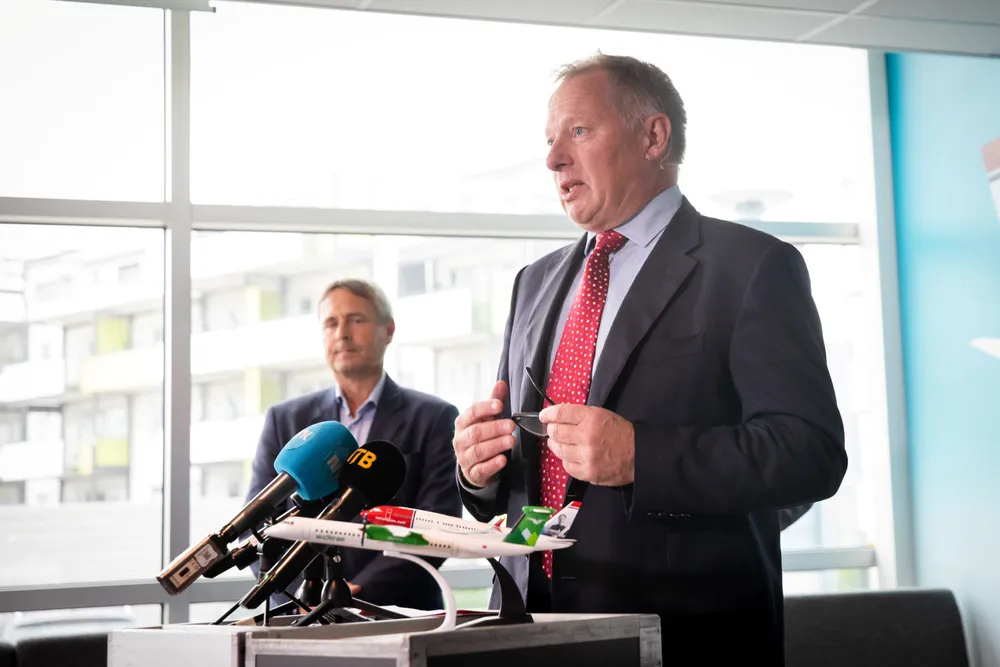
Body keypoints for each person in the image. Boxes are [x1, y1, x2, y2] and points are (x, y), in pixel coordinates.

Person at [453, 54, 847, 663]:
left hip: (684, 635)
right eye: (550, 140)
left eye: (578, 131)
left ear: (653, 137)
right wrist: (479, 472)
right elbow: (529, 478)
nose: (554, 159)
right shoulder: (532, 282)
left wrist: (642, 455)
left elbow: (810, 453)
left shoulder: (752, 266)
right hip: (527, 630)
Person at [246, 278, 461, 611]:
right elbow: (257, 522)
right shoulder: (285, 419)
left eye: (356, 320)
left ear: (388, 330)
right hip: (298, 612)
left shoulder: (434, 417)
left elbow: (438, 520)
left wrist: (358, 590)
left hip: (398, 612)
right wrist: (298, 593)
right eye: (331, 323)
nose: (342, 333)